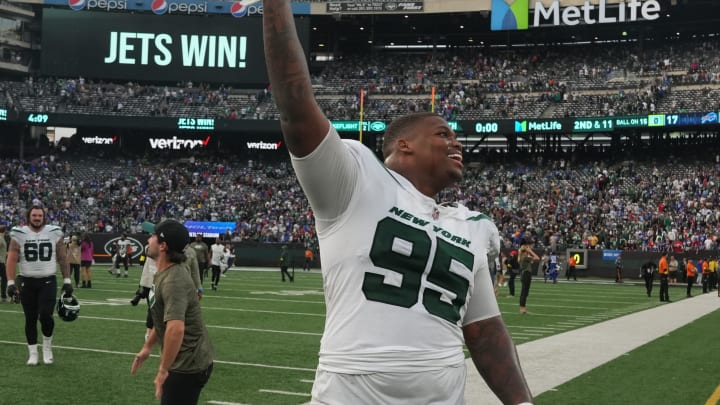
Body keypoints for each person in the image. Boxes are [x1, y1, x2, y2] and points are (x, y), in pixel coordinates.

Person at [262, 3, 534, 403]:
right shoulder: (355, 180)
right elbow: (296, 108)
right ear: (403, 144)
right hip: (350, 393)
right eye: (443, 133)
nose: (456, 142)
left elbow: (485, 332)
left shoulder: (470, 225)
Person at [130, 220, 213, 404]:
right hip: (185, 361)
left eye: (153, 236)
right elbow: (163, 322)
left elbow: (175, 329)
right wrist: (147, 347)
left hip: (187, 365)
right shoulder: (165, 272)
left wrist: (163, 370)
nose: (148, 239)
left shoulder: (173, 281)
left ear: (163, 246)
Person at [6, 205, 73, 365]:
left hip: (47, 281)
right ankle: (33, 352)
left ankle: (47, 347)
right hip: (26, 281)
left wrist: (67, 280)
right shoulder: (19, 233)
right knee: (30, 318)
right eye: (34, 215)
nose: (37, 218)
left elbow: (63, 257)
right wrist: (10, 282)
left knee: (45, 315)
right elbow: (12, 258)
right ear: (29, 217)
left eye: (40, 216)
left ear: (44, 217)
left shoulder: (53, 232)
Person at [518, 241, 540, 315]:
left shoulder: (524, 256)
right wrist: (530, 251)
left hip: (526, 274)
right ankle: (522, 309)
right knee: (524, 292)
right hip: (526, 274)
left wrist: (529, 251)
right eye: (527, 247)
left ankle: (523, 309)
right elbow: (537, 258)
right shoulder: (524, 256)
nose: (529, 248)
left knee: (525, 292)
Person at [0, 224, 8, 302]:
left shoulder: (2, 238)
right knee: (5, 278)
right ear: (5, 231)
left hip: (2, 261)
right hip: (1, 262)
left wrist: (6, 253)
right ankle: (3, 296)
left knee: (4, 278)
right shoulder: (0, 238)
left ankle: (3, 296)